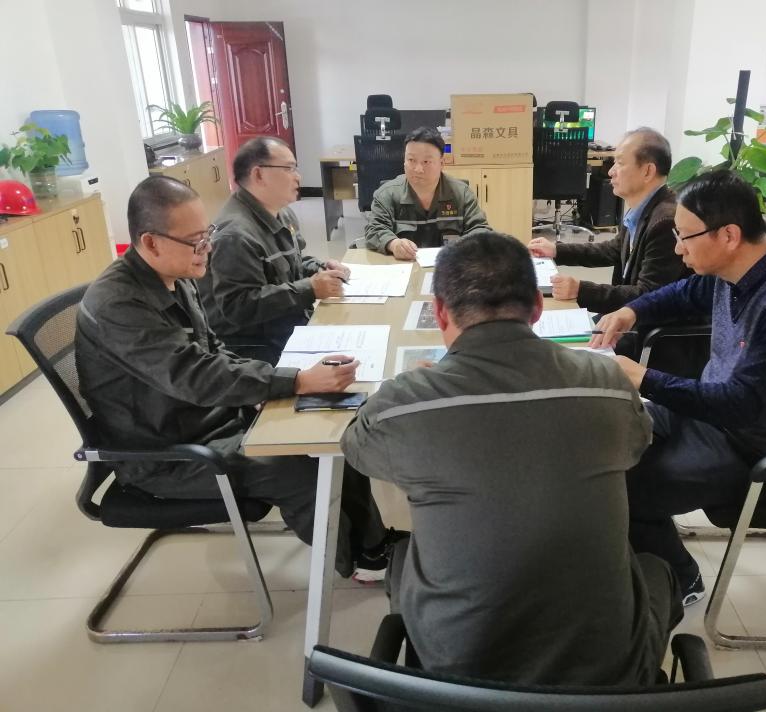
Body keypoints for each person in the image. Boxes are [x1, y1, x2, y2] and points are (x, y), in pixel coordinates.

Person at [342, 232, 682, 686]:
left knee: (405, 556)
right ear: (537, 308)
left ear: (440, 312)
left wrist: (410, 390)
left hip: (455, 678)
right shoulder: (606, 381)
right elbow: (638, 443)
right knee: (657, 568)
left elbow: (357, 447)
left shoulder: (406, 403)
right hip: (608, 678)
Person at [76, 175, 397, 581]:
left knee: (335, 434)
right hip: (167, 451)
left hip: (208, 417)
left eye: (206, 234)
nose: (207, 248)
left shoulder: (174, 275)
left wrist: (267, 386)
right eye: (195, 241)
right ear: (151, 242)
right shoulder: (119, 305)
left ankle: (372, 541)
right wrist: (294, 381)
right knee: (300, 471)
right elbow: (194, 376)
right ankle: (358, 561)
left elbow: (212, 348)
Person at [591, 170, 766, 606]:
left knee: (619, 489)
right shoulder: (740, 267)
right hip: (714, 415)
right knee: (602, 440)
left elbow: (740, 405)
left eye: (686, 237)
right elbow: (686, 292)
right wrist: (631, 312)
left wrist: (644, 378)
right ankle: (640, 546)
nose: (678, 248)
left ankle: (681, 578)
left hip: (759, 447)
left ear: (728, 235)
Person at [528, 128, 691, 362]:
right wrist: (557, 250)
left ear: (647, 171)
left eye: (620, 163)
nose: (611, 171)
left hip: (644, 331)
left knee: (560, 357)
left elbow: (647, 295)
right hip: (624, 319)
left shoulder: (665, 221)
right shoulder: (644, 208)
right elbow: (613, 249)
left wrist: (581, 290)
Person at [198, 137, 350, 365]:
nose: (298, 176)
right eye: (289, 168)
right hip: (253, 349)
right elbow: (238, 307)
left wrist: (321, 268)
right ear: (258, 175)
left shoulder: (282, 213)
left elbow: (292, 263)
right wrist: (310, 288)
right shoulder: (235, 235)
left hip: (284, 326)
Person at [364, 126, 491, 260]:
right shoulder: (387, 194)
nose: (418, 169)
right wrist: (393, 244)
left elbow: (480, 229)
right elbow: (374, 229)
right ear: (404, 161)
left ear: (442, 163)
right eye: (411, 160)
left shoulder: (462, 193)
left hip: (450, 266)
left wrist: (463, 248)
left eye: (426, 162)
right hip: (403, 267)